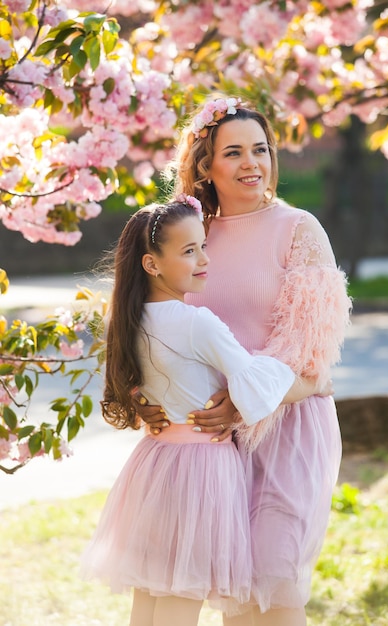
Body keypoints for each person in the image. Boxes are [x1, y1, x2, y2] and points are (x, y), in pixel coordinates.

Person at [136, 95, 352, 626]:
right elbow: (160, 330)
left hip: (287, 429)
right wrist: (145, 395)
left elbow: (312, 363)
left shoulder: (298, 230)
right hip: (210, 440)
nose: (251, 163)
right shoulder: (188, 233)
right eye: (234, 152)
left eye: (261, 149)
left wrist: (243, 404)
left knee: (272, 589)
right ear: (205, 164)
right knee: (234, 595)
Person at [80, 197, 328, 626]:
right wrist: (312, 382)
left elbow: (136, 387)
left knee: (151, 594)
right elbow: (252, 381)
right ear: (152, 264)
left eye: (202, 246)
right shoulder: (198, 323)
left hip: (154, 464)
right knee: (182, 593)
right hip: (203, 468)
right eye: (189, 250)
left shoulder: (127, 320)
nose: (204, 259)